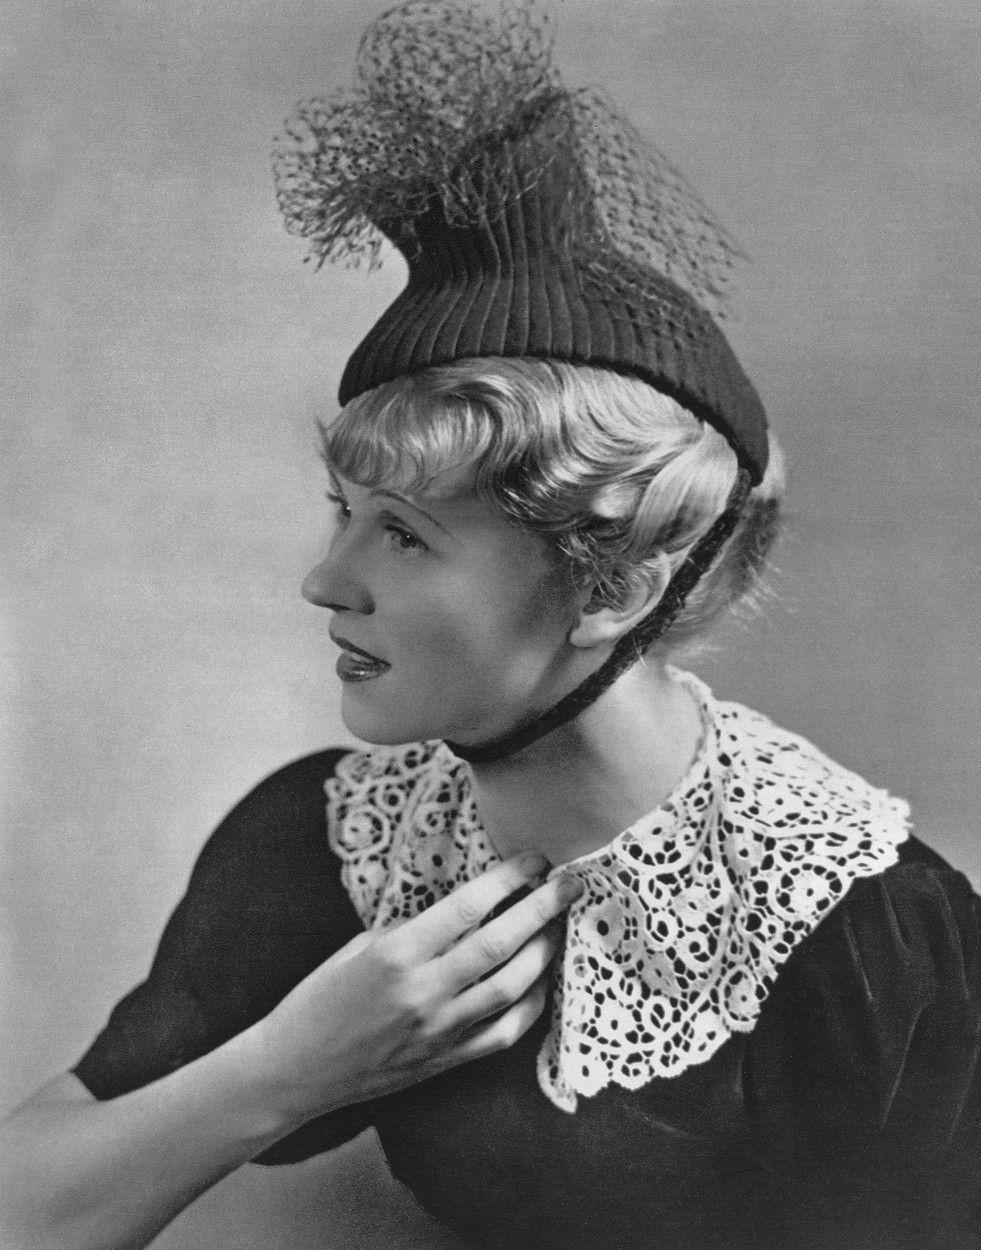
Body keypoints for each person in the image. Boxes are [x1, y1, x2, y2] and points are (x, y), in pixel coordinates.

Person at [2, 3, 980, 1247]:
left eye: (405, 534)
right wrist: (289, 1068)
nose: (326, 580)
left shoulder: (871, 932)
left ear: (611, 586)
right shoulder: (329, 847)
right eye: (343, 513)